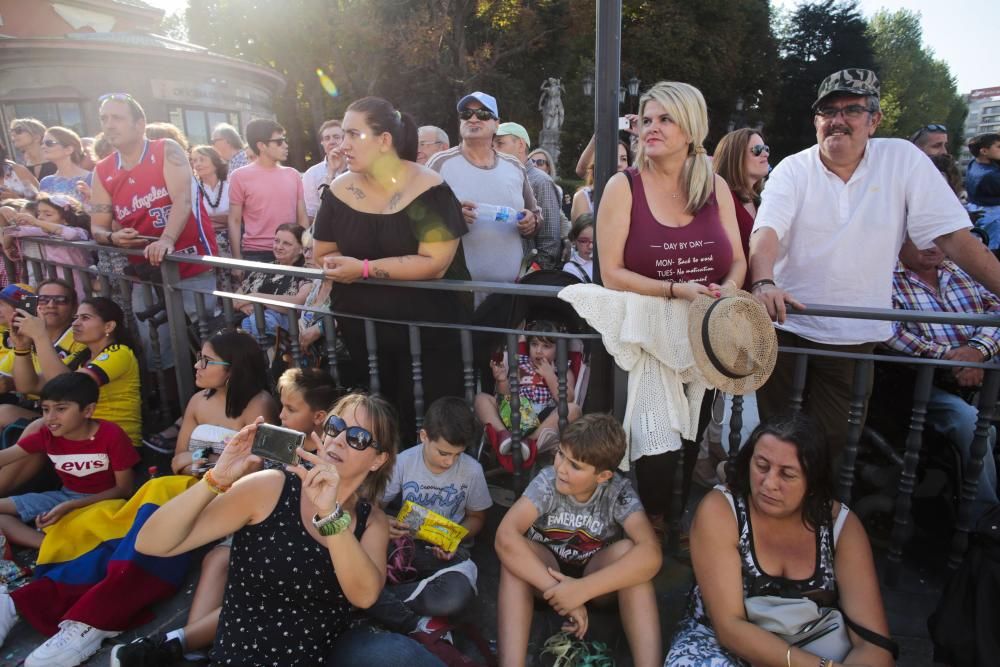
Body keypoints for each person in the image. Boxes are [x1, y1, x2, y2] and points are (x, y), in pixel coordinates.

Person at [748, 69, 1000, 459]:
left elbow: (954, 238)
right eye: (827, 110)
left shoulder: (901, 159)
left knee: (832, 449)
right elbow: (766, 232)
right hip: (785, 329)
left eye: (852, 109)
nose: (838, 119)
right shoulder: (793, 169)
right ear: (815, 119)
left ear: (874, 119)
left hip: (855, 338)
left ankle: (819, 518)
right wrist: (763, 281)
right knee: (775, 442)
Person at [135, 392, 398, 667]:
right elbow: (151, 542)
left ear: (378, 460)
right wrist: (215, 480)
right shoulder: (271, 488)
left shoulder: (371, 521)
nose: (340, 439)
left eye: (358, 438)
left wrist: (328, 512)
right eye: (336, 427)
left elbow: (365, 595)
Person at [595, 80, 745, 534]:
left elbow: (738, 257)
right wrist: (675, 289)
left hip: (704, 332)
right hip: (647, 334)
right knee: (654, 443)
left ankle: (671, 521)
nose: (651, 128)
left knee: (692, 437)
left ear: (691, 128)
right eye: (646, 119)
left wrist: (728, 291)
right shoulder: (624, 186)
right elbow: (612, 273)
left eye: (665, 119)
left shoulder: (714, 186)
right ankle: (652, 525)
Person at [665, 413, 894, 667]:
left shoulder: (841, 526)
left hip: (813, 641)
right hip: (721, 643)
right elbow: (729, 627)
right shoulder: (721, 509)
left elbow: (873, 644)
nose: (769, 483)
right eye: (761, 466)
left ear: (813, 481)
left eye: (787, 474)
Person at [108, 330, 278, 666]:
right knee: (154, 498)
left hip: (236, 496)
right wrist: (209, 462)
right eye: (198, 358)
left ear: (232, 368)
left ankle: (185, 646)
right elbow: (177, 459)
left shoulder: (259, 404)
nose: (196, 366)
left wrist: (202, 463)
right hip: (194, 486)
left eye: (206, 360)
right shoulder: (197, 401)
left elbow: (259, 465)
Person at [313, 96, 472, 440]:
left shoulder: (430, 189)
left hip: (428, 335)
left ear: (384, 141)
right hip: (363, 333)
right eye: (342, 135)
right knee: (373, 419)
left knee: (425, 420)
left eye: (354, 135)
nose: (343, 146)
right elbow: (321, 250)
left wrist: (363, 269)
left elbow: (435, 263)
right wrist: (337, 265)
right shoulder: (339, 190)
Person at [495, 413, 662, 667]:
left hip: (596, 579)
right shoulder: (548, 482)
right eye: (561, 454)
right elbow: (504, 537)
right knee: (513, 556)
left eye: (575, 465)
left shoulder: (617, 491)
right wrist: (561, 592)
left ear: (603, 476)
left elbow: (652, 554)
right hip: (546, 573)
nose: (561, 467)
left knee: (633, 555)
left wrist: (581, 590)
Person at [88, 93, 218, 372]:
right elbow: (97, 225)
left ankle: (220, 406)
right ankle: (174, 409)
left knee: (209, 342)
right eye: (104, 119)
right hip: (144, 272)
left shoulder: (165, 149)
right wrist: (113, 237)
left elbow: (182, 201)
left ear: (140, 123)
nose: (109, 125)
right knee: (156, 346)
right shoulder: (103, 169)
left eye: (117, 117)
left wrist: (166, 240)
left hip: (190, 263)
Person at [883, 237, 999, 509]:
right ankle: (984, 518)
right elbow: (891, 334)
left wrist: (977, 352)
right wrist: (953, 359)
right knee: (970, 423)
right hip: (925, 381)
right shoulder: (886, 278)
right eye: (923, 239)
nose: (933, 247)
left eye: (938, 239)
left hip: (986, 366)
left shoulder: (962, 268)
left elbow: (997, 307)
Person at [372, 396, 491, 642]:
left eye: (458, 455)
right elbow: (374, 508)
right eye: (444, 453)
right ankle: (415, 618)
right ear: (424, 436)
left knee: (453, 596)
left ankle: (378, 603)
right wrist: (385, 522)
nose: (450, 461)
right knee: (364, 555)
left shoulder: (471, 470)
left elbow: (477, 517)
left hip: (447, 556)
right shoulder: (404, 461)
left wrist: (453, 540)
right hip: (405, 547)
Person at [0, 374, 137, 549]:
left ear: (87, 411)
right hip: (63, 497)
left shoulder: (111, 435)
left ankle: (67, 547)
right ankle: (52, 546)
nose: (50, 418)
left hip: (105, 503)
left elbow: (124, 489)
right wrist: (66, 504)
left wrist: (71, 506)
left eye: (61, 409)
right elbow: (8, 455)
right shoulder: (46, 435)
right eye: (45, 409)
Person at [426, 91, 540, 288]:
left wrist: (531, 222)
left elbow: (536, 217)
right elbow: (414, 217)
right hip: (457, 292)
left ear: (496, 123)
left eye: (483, 114)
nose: (473, 119)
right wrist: (451, 217)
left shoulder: (514, 166)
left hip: (509, 293)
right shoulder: (440, 163)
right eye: (466, 114)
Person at [11, 296, 142, 448]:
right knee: (9, 414)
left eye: (85, 318)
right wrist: (21, 348)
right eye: (75, 318)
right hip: (78, 432)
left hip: (116, 441)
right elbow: (27, 385)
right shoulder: (81, 356)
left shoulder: (119, 353)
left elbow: (67, 389)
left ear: (109, 326)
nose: (75, 323)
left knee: (39, 428)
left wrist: (40, 336)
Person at [476, 319, 581, 460]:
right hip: (514, 413)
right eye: (534, 344)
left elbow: (567, 398)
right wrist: (502, 380)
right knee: (480, 398)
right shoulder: (521, 365)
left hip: (542, 419)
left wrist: (550, 375)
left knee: (573, 409)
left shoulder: (561, 371)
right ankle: (504, 436)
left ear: (558, 350)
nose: (538, 351)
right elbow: (505, 396)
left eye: (546, 346)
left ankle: (528, 442)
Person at [0, 279, 84, 434]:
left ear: (74, 309)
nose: (51, 305)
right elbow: (18, 384)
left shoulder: (80, 337)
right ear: (35, 305)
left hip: (70, 417)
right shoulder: (28, 334)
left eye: (61, 300)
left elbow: (64, 388)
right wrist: (22, 347)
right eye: (44, 300)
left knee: (2, 413)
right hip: (36, 409)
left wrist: (39, 336)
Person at [227, 118, 309, 265]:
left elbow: (302, 217)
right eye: (279, 142)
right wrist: (236, 260)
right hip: (256, 254)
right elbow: (234, 220)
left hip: (292, 254)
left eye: (285, 140)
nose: (285, 145)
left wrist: (303, 250)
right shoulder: (239, 176)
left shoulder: (293, 174)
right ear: (261, 145)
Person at [494, 122, 562, 269]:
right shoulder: (498, 177)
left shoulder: (540, 181)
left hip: (524, 281)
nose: (493, 149)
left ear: (520, 145)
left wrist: (531, 275)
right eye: (491, 144)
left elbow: (550, 242)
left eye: (499, 143)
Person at [2, 193, 92, 300]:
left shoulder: (79, 231)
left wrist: (36, 222)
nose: (40, 217)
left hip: (78, 279)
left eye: (48, 214)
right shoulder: (44, 231)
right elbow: (11, 231)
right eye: (39, 213)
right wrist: (7, 245)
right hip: (54, 279)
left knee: (77, 303)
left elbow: (69, 234)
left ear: (66, 219)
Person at [232, 222, 312, 342]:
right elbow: (235, 297)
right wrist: (245, 306)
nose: (278, 247)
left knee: (257, 321)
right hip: (247, 323)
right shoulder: (264, 268)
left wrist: (256, 298)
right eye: (276, 241)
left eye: (287, 243)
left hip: (281, 335)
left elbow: (298, 303)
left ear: (301, 249)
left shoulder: (305, 273)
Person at [713, 128, 770, 290]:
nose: (765, 154)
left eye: (766, 149)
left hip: (759, 298)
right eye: (757, 150)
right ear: (735, 157)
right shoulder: (721, 199)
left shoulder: (762, 201)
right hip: (729, 296)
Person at [190, 144, 232, 260]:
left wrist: (207, 219)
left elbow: (239, 218)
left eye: (202, 159)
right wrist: (225, 219)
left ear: (215, 162)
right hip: (205, 245)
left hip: (234, 244)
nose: (197, 164)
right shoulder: (192, 189)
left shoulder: (231, 186)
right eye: (194, 160)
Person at [571, 141, 629, 222]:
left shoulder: (633, 195)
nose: (619, 164)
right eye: (612, 157)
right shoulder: (583, 197)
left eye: (624, 159)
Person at [302, 119, 346, 219]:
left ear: (345, 140)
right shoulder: (311, 174)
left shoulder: (358, 169)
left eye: (336, 137)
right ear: (322, 143)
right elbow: (311, 213)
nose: (332, 141)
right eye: (327, 138)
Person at [38, 126, 93, 198]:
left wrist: (91, 196)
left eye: (49, 143)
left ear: (69, 149)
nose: (43, 146)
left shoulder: (92, 179)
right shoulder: (46, 182)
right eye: (42, 143)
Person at [964, 133, 1000, 244]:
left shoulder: (973, 163)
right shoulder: (991, 176)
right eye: (999, 147)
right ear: (984, 151)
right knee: (992, 249)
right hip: (993, 217)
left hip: (977, 210)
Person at [562, 213, 593, 282]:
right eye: (584, 241)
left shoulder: (604, 262)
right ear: (574, 240)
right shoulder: (570, 269)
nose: (591, 246)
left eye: (595, 241)